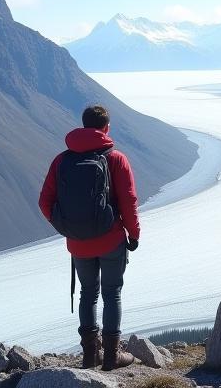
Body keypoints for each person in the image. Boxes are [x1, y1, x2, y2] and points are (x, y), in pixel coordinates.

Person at [39, 105, 140, 371]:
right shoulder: (116, 158)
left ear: (84, 125)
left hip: (78, 244)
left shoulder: (62, 160)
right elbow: (129, 200)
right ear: (106, 127)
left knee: (88, 293)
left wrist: (66, 226)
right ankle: (111, 356)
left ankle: (89, 355)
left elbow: (44, 201)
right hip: (111, 239)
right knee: (112, 293)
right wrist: (134, 233)